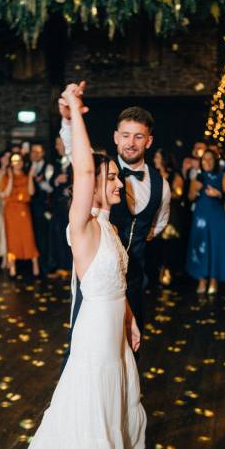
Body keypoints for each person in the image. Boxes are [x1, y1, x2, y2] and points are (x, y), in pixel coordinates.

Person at [21, 83, 147, 449]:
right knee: (92, 407)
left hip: (114, 333)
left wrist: (131, 318)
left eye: (117, 178)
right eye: (110, 178)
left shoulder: (110, 227)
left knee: (119, 401)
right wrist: (73, 111)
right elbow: (84, 166)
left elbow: (116, 285)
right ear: (93, 184)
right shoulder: (84, 226)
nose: (117, 184)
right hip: (94, 339)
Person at [60, 89, 170, 336]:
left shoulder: (161, 185)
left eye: (139, 137)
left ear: (148, 141)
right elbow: (75, 155)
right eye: (126, 135)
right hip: (95, 282)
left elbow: (157, 225)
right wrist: (69, 119)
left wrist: (138, 240)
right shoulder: (99, 168)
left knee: (131, 350)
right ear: (116, 137)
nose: (131, 143)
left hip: (133, 281)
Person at [186, 149, 225, 294]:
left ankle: (213, 279)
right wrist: (196, 190)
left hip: (217, 218)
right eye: (204, 159)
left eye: (210, 159)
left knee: (215, 247)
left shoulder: (222, 175)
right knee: (200, 246)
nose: (207, 162)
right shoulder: (198, 177)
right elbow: (190, 197)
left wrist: (218, 194)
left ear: (215, 161)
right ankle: (201, 279)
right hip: (200, 217)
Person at [0, 153, 40, 278]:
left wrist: (31, 177)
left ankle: (35, 266)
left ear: (22, 162)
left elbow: (31, 192)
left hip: (23, 210)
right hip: (11, 211)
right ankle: (12, 268)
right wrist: (11, 178)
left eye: (19, 160)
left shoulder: (27, 176)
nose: (17, 163)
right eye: (14, 160)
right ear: (11, 163)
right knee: (12, 238)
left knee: (28, 237)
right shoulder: (5, 177)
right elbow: (4, 194)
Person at [153, 148, 186, 284]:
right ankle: (156, 276)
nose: (155, 159)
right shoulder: (153, 175)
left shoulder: (175, 176)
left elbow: (178, 194)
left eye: (157, 157)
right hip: (155, 215)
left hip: (170, 215)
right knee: (156, 247)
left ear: (164, 160)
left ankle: (168, 277)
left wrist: (162, 194)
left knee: (169, 247)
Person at [48, 136, 73, 279]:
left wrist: (68, 182)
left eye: (59, 144)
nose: (57, 147)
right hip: (58, 206)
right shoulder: (57, 164)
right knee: (58, 236)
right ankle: (61, 267)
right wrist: (57, 180)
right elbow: (51, 183)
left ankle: (70, 268)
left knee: (70, 237)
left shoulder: (74, 162)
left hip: (70, 205)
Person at [28, 143, 54, 275]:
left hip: (42, 207)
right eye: (33, 151)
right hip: (28, 208)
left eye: (38, 152)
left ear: (42, 153)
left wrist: (39, 182)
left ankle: (45, 266)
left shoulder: (48, 167)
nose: (35, 154)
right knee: (31, 237)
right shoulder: (27, 166)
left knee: (43, 237)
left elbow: (51, 188)